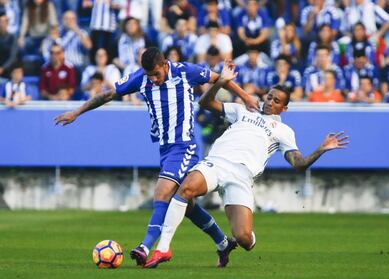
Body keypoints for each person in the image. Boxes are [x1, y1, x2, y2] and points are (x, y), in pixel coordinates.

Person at [54, 47, 259, 267]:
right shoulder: (141, 78)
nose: (153, 79)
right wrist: (77, 112)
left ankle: (145, 246)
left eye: (156, 74)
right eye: (149, 75)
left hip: (184, 146)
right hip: (165, 149)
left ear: (164, 64)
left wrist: (246, 97)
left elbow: (221, 79)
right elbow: (108, 94)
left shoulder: (184, 71)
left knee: (162, 192)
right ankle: (222, 242)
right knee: (185, 204)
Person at [143, 61, 349, 268]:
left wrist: (320, 150)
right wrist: (220, 82)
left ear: (284, 108)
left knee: (243, 239)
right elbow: (206, 103)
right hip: (217, 163)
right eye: (269, 97)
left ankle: (229, 244)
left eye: (276, 101)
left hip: (242, 177)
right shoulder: (245, 110)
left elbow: (298, 164)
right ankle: (163, 248)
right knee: (185, 189)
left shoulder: (284, 131)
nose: (270, 102)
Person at [0, 10, 18, 80]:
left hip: (8, 72)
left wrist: (2, 68)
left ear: (7, 23)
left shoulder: (12, 38)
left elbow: (13, 57)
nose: (1, 24)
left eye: (3, 22)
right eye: (0, 22)